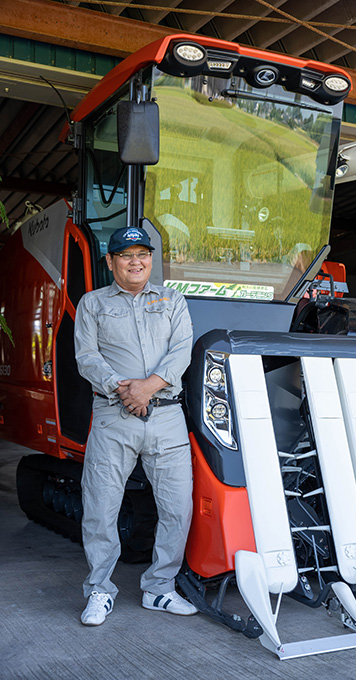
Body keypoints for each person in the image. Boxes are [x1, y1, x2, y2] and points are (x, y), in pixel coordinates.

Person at [74, 225, 197, 626]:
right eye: (125, 255)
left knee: (177, 508)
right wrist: (122, 389)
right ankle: (99, 590)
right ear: (110, 262)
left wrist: (148, 387)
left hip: (166, 415)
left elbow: (182, 350)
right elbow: (86, 357)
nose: (136, 261)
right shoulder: (92, 303)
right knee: (100, 507)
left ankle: (159, 588)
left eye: (142, 254)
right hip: (114, 416)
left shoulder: (172, 300)